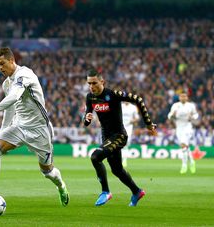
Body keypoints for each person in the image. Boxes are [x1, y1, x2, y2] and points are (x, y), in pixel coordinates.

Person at [0, 47, 69, 209]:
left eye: (2, 63)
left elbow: (15, 96)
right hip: (19, 127)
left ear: (12, 60)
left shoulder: (25, 75)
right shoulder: (6, 84)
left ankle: (61, 186)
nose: (0, 68)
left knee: (48, 172)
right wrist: (3, 131)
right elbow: (10, 108)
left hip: (39, 131)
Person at [83, 69, 157, 207]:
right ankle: (137, 192)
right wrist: (86, 118)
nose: (91, 86)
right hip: (106, 137)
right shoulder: (90, 97)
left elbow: (138, 99)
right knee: (117, 170)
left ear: (102, 82)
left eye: (94, 83)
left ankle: (105, 192)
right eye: (89, 83)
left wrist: (147, 123)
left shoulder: (113, 95)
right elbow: (86, 120)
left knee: (95, 157)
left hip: (119, 136)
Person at [167, 92, 199, 174]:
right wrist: (172, 115)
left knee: (183, 145)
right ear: (179, 97)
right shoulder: (175, 105)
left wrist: (192, 117)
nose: (183, 97)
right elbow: (169, 115)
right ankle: (192, 162)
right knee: (185, 147)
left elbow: (196, 115)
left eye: (184, 96)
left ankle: (184, 165)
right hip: (179, 127)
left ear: (187, 98)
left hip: (188, 127)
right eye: (181, 96)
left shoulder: (191, 105)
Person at [121, 101, 140, 168]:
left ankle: (124, 160)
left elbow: (137, 118)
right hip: (119, 126)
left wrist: (133, 121)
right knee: (118, 143)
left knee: (126, 143)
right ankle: (118, 159)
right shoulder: (120, 105)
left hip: (129, 127)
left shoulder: (133, 107)